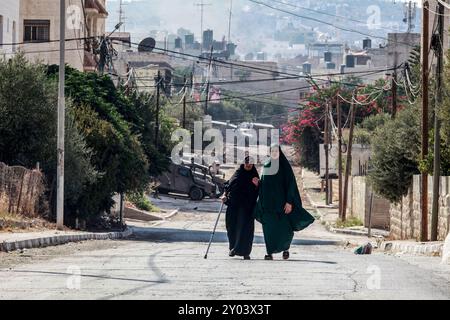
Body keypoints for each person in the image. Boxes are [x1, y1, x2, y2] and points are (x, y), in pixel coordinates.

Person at [254, 144, 315, 260]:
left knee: (284, 229)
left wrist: (289, 202)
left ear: (280, 152)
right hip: (268, 205)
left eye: (276, 151)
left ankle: (285, 248)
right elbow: (264, 185)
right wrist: (258, 183)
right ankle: (269, 252)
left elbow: (290, 185)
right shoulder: (266, 166)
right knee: (269, 229)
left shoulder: (284, 167)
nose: (274, 153)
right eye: (272, 151)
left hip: (282, 205)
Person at [222, 156, 260, 260]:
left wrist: (257, 185)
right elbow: (227, 186)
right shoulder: (237, 174)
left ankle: (245, 252)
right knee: (232, 227)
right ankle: (233, 248)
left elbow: (259, 192)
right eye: (247, 163)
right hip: (233, 206)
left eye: (251, 163)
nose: (248, 165)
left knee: (245, 229)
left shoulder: (255, 176)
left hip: (247, 208)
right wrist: (224, 196)